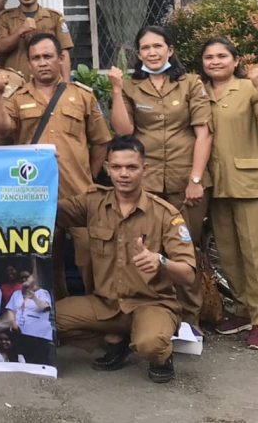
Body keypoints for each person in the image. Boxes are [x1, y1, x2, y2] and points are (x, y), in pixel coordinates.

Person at [56, 135, 198, 382]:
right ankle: (115, 338)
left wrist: (161, 261)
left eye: (131, 167)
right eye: (117, 167)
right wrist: (46, 170)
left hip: (151, 303)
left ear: (144, 169)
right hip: (105, 305)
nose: (124, 174)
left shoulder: (165, 214)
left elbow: (188, 275)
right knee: (45, 320)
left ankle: (160, 352)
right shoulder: (92, 202)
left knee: (151, 344)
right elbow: (48, 210)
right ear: (107, 168)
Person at [0, 33, 112, 296]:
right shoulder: (17, 97)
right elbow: (2, 131)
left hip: (79, 192)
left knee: (89, 256)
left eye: (48, 56)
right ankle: (58, 317)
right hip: (36, 193)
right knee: (45, 260)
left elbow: (101, 141)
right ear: (29, 63)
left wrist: (89, 175)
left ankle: (99, 315)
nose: (42, 63)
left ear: (60, 59)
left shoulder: (82, 96)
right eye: (36, 58)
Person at [109, 25, 212, 332]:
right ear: (138, 54)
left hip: (186, 182)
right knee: (149, 248)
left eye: (158, 46)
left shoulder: (190, 83)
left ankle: (190, 318)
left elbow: (203, 133)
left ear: (170, 49)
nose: (152, 53)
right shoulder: (130, 85)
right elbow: (124, 132)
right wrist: (115, 90)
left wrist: (195, 179)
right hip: (148, 183)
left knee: (186, 249)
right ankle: (155, 316)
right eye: (145, 48)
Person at [201, 37, 258, 349]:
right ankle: (243, 309)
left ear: (235, 61)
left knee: (257, 256)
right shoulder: (199, 91)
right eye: (209, 57)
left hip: (253, 184)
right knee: (230, 255)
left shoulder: (247, 88)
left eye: (222, 56)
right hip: (218, 185)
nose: (216, 61)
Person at [0, 0, 73, 80]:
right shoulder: (5, 18)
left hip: (48, 82)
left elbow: (64, 52)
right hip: (15, 82)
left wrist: (66, 83)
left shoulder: (54, 17)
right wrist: (19, 32)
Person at [5, 273, 53, 366]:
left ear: (34, 278)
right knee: (21, 360)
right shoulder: (16, 294)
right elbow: (10, 310)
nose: (23, 279)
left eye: (26, 277)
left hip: (38, 336)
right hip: (19, 333)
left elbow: (45, 307)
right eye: (21, 278)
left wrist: (34, 298)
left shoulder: (42, 292)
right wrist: (13, 322)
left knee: (38, 362)